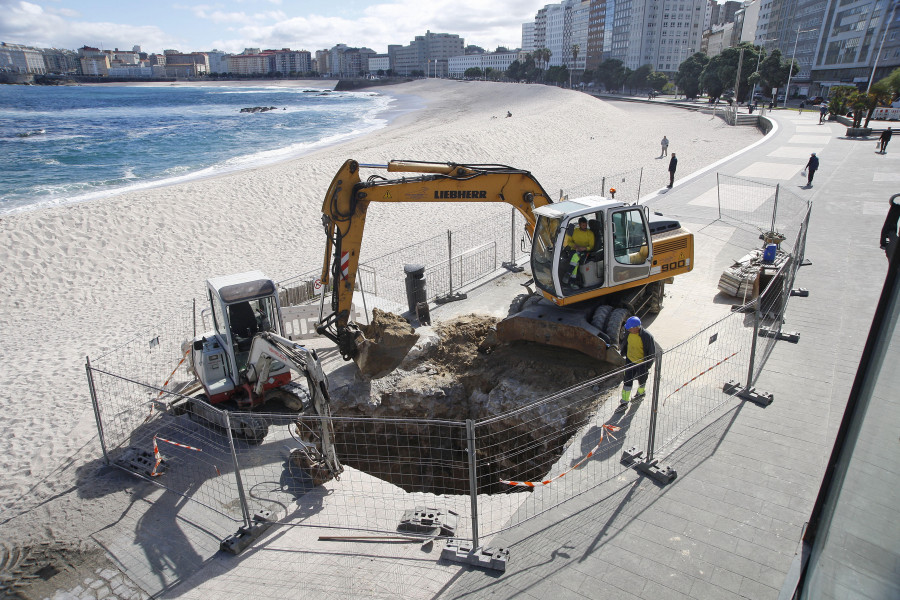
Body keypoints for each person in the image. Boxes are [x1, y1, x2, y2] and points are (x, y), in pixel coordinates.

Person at [615, 316, 658, 413]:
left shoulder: (647, 337)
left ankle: (641, 393)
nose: (628, 329)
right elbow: (625, 343)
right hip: (630, 361)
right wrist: (623, 352)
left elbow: (651, 353)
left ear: (636, 327)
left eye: (630, 328)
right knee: (627, 381)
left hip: (642, 363)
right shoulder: (629, 332)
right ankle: (624, 402)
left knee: (642, 380)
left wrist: (648, 365)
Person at [563, 217, 595, 287]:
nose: (585, 227)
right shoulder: (575, 231)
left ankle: (569, 273)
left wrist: (584, 248)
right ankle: (572, 280)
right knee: (574, 262)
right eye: (583, 225)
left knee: (575, 256)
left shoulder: (590, 234)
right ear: (579, 225)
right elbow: (569, 242)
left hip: (585, 251)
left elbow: (591, 246)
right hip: (575, 249)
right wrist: (574, 246)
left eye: (586, 225)